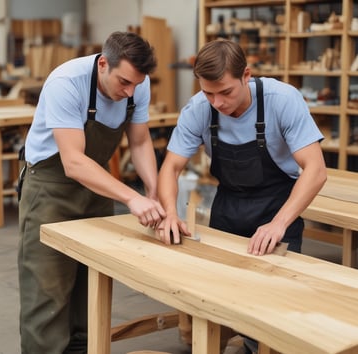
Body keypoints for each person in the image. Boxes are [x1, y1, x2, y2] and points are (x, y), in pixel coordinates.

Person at [156, 39, 327, 352]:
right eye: (209, 93)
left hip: (278, 207)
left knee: (274, 308)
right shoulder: (198, 109)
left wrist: (278, 223)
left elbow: (315, 170)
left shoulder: (282, 100)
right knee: (220, 300)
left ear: (246, 75)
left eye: (226, 92)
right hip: (228, 206)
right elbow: (170, 169)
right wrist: (170, 212)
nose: (217, 102)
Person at [17, 31, 166, 354]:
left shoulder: (137, 85)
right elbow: (73, 162)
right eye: (124, 82)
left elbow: (139, 142)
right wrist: (131, 197)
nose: (129, 91)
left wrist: (153, 192)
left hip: (97, 187)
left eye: (136, 85)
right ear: (103, 64)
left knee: (90, 285)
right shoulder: (66, 83)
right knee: (48, 290)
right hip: (50, 189)